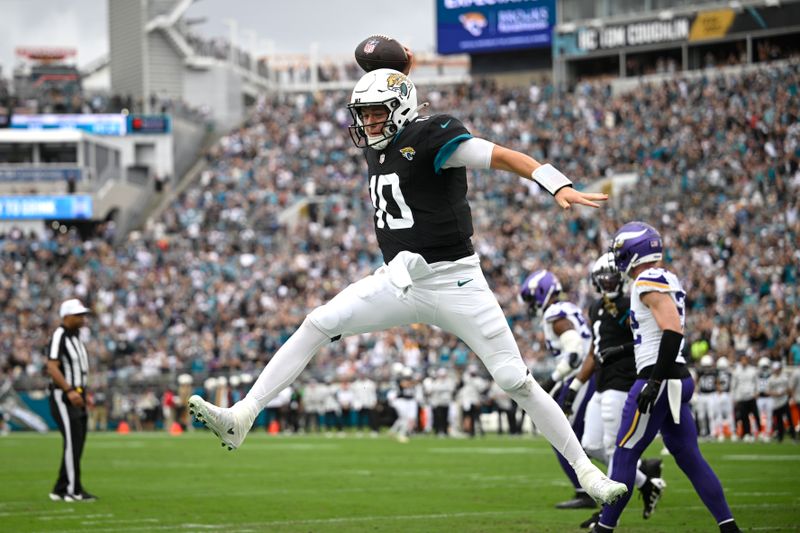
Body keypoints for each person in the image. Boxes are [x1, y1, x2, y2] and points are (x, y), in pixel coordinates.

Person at [188, 67, 627, 506]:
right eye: (364, 114)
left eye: (377, 114)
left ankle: (588, 474)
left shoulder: (436, 138)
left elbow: (503, 155)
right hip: (402, 277)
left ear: (400, 111)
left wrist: (555, 183)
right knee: (319, 321)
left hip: (457, 280)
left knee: (516, 380)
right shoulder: (378, 143)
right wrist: (398, 68)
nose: (368, 124)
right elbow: (392, 77)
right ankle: (242, 415)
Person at [592, 222, 739, 533]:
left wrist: (654, 382)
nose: (618, 258)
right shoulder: (663, 277)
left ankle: (603, 529)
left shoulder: (647, 280)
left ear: (634, 251)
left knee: (624, 454)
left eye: (621, 252)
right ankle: (729, 528)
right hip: (674, 377)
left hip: (658, 378)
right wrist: (625, 352)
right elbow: (657, 333)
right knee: (689, 457)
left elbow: (672, 330)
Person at [565, 253, 665, 527]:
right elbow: (593, 352)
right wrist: (575, 387)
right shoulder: (597, 307)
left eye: (612, 277)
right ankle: (645, 482)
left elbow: (646, 339)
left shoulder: (628, 303)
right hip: (601, 382)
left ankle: (606, 515)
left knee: (613, 447)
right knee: (591, 445)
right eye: (603, 278)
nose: (608, 282)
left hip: (623, 380)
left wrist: (620, 350)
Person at [520, 269, 597, 509]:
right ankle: (641, 474)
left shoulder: (555, 313)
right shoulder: (568, 308)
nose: (532, 307)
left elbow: (574, 353)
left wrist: (553, 379)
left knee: (561, 436)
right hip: (589, 374)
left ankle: (584, 491)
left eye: (533, 300)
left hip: (579, 377)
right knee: (585, 439)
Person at [46, 298, 97, 502]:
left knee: (77, 441)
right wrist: (69, 390)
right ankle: (73, 490)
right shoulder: (60, 335)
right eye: (78, 315)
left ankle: (60, 488)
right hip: (63, 396)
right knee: (73, 441)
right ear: (66, 316)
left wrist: (84, 393)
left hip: (78, 394)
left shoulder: (76, 337)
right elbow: (52, 366)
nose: (83, 319)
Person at [731, 352, 760, 442]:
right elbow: (733, 385)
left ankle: (760, 432)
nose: (744, 361)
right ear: (740, 360)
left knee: (755, 415)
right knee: (744, 417)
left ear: (747, 360)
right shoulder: (736, 371)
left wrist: (757, 392)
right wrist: (734, 397)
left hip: (751, 395)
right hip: (741, 397)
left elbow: (756, 382)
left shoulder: (753, 370)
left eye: (745, 359)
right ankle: (747, 433)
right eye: (742, 359)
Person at [767, 360, 796, 442]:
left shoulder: (785, 377)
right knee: (779, 420)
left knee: (789, 419)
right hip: (776, 402)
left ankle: (793, 436)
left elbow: (790, 388)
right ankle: (780, 437)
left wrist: (784, 392)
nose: (776, 370)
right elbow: (768, 391)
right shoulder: (771, 379)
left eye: (778, 369)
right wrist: (775, 393)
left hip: (784, 400)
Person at [713, 357, 734, 441]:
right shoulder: (729, 373)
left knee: (719, 415)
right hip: (727, 394)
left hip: (720, 394)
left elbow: (717, 383)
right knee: (729, 415)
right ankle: (732, 432)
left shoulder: (716, 373)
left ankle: (721, 433)